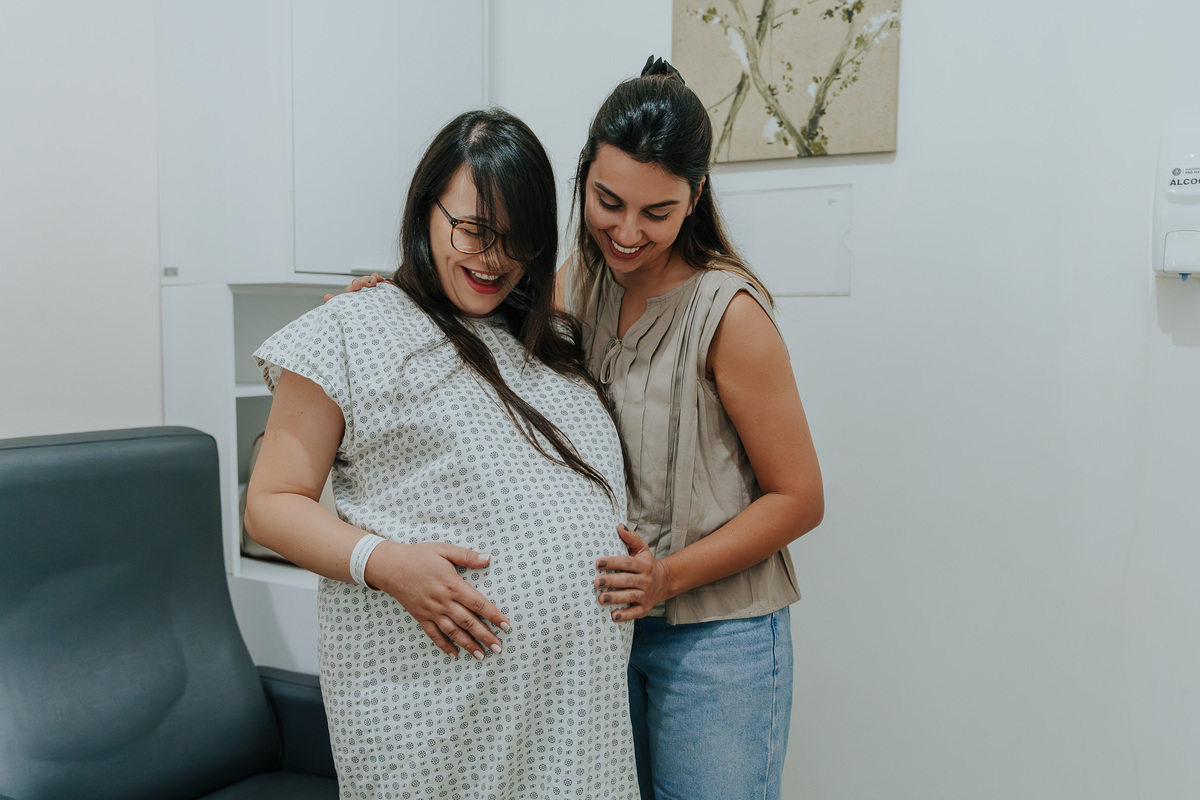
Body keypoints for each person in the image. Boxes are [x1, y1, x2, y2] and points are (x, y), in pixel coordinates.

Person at [341, 56, 824, 800]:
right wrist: (397, 295)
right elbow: (478, 308)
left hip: (716, 637)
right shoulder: (577, 282)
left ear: (695, 197)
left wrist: (667, 577)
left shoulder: (731, 314)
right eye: (608, 201)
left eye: (656, 213)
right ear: (583, 178)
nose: (627, 232)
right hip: (607, 633)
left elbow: (800, 498)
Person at [245, 109, 640, 799]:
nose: (493, 259)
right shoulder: (350, 326)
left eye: (514, 241)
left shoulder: (554, 346)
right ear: (426, 210)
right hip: (437, 725)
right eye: (472, 230)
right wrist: (387, 562)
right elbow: (270, 505)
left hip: (576, 727)